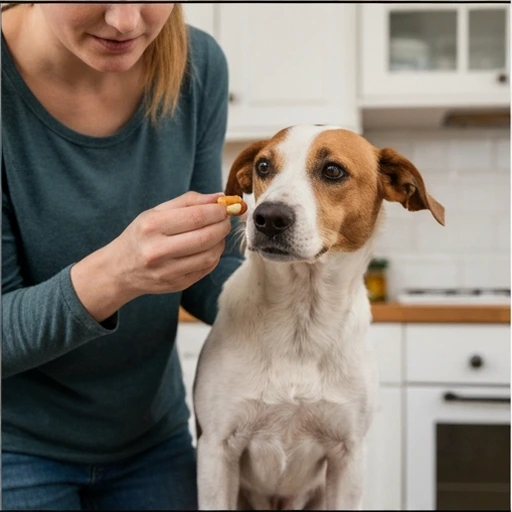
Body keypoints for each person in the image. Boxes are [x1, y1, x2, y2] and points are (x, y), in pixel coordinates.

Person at [1, 3, 243, 510]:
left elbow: (208, 265)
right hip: (14, 448)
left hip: (153, 440)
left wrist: (295, 317)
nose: (127, 22)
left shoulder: (197, 65)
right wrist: (120, 271)